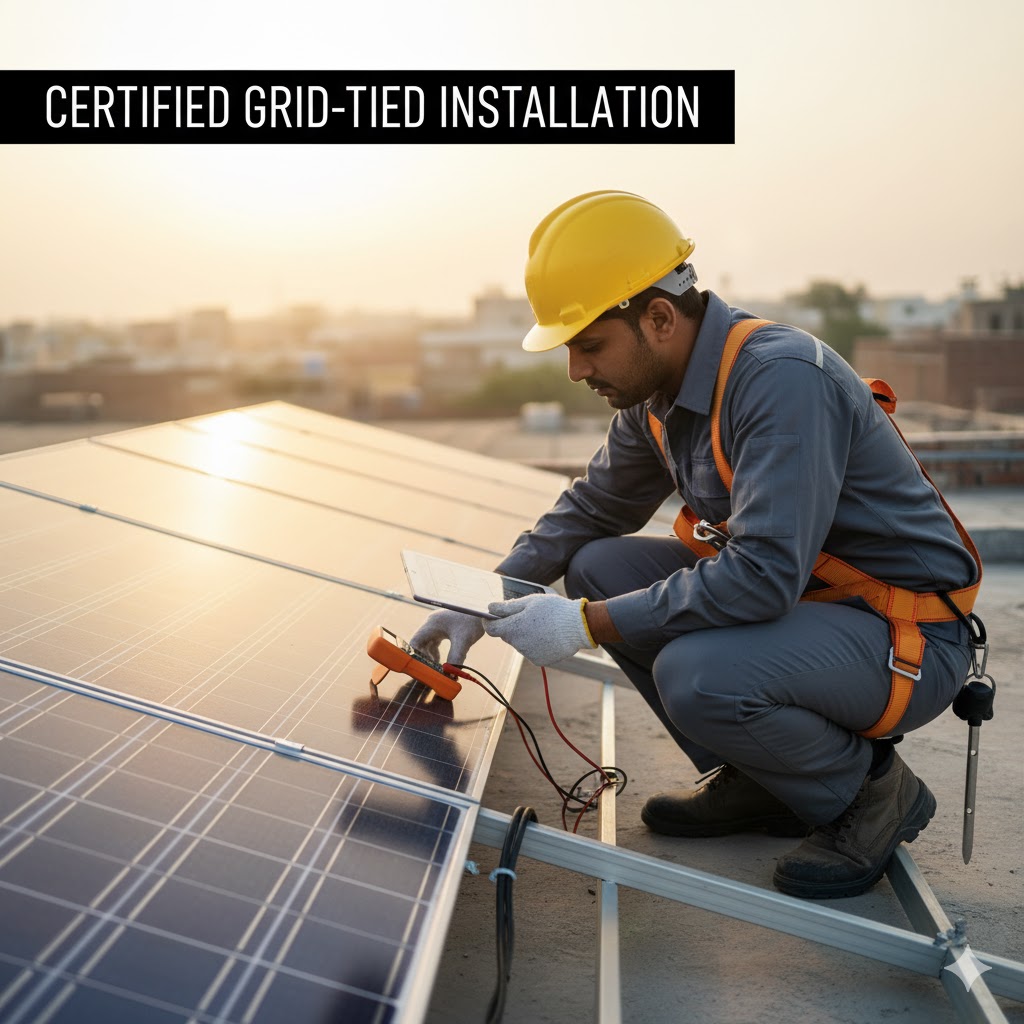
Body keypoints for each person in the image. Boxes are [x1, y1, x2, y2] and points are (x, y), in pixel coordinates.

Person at [411, 190, 981, 899]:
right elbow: (592, 507)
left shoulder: (779, 381)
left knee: (697, 673)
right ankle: (765, 776)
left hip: (904, 636)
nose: (576, 370)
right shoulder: (657, 396)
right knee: (598, 565)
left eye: (590, 345)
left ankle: (871, 792)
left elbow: (763, 577)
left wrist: (584, 625)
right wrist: (485, 596)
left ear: (658, 316)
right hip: (813, 609)